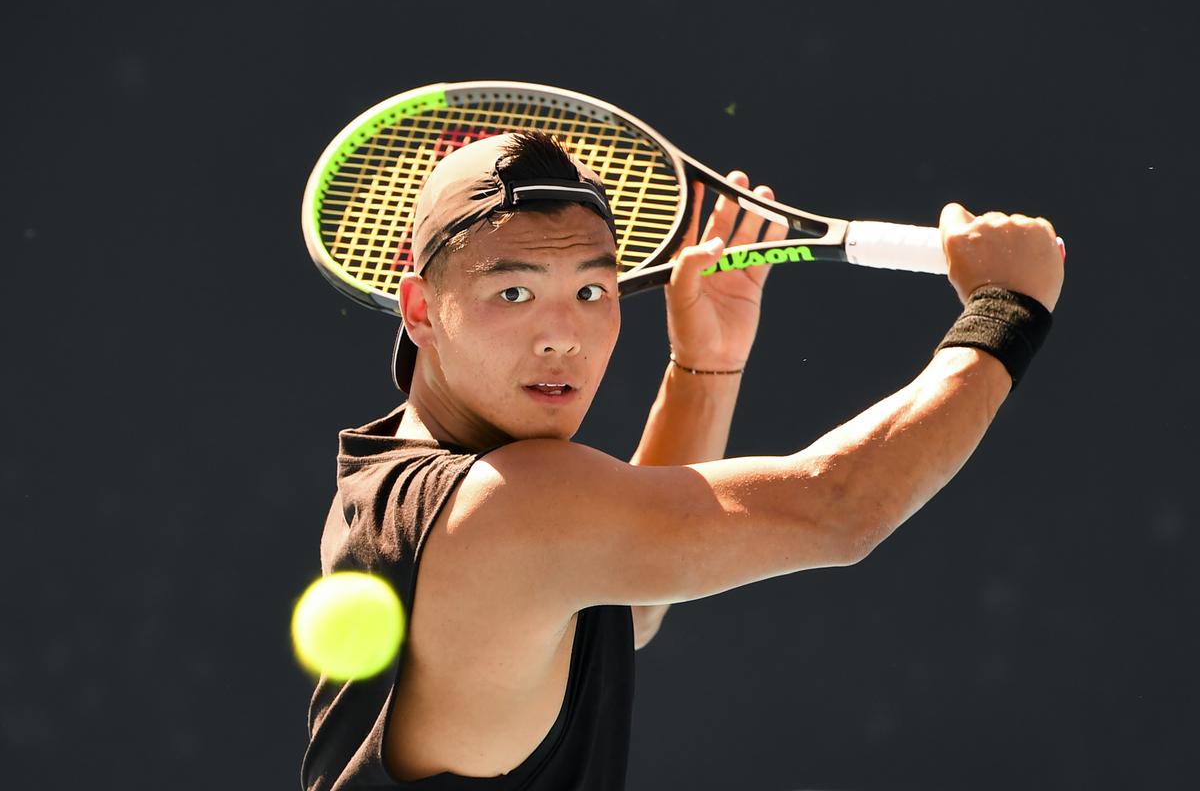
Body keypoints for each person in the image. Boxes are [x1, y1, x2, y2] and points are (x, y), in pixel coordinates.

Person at [301, 130, 1063, 790]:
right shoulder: (505, 504)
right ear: (421, 310)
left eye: (592, 291)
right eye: (513, 294)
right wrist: (1007, 309)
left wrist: (705, 369)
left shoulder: (386, 482)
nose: (563, 336)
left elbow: (626, 610)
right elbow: (838, 506)